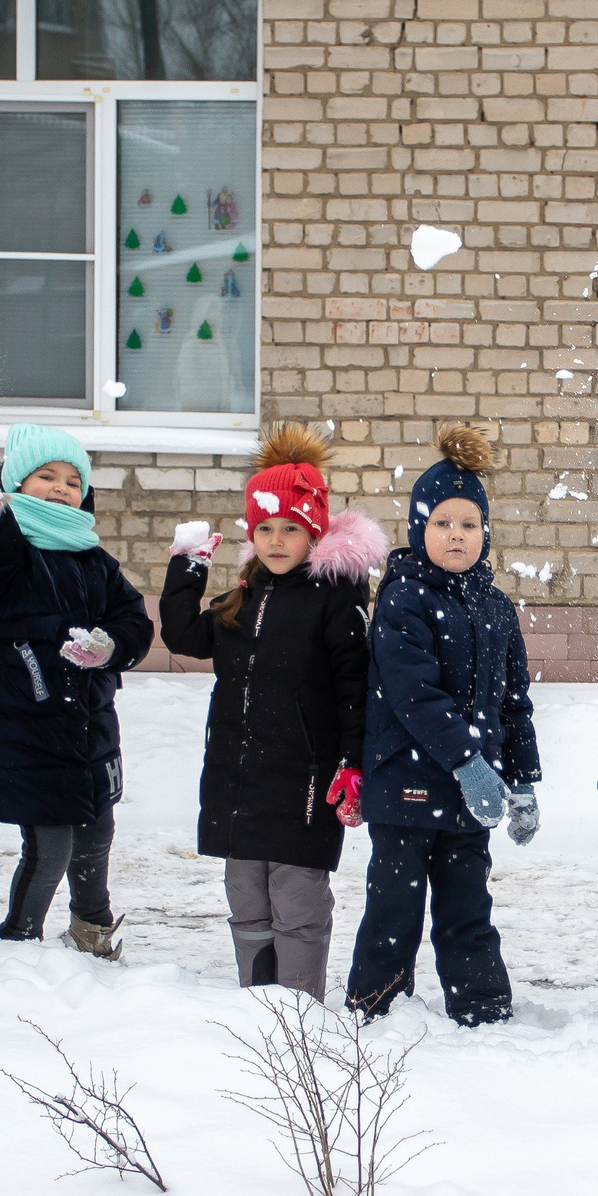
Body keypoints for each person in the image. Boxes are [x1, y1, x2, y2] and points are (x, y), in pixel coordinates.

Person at [159, 425, 385, 996]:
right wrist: (188, 566)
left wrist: (354, 763)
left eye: (291, 529)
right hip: (239, 780)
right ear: (251, 533)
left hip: (305, 783)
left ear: (314, 532)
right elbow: (185, 635)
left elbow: (354, 688)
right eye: (265, 529)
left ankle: (299, 1012)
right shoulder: (244, 597)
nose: (277, 541)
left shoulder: (334, 601)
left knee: (297, 901)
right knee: (246, 901)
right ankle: (257, 1004)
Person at [346, 426, 540, 1027]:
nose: (456, 535)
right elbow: (413, 694)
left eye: (469, 525)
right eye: (442, 523)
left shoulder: (497, 607)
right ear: (418, 530)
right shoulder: (404, 599)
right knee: (395, 905)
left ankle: (483, 1011)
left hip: (468, 797)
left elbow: (515, 701)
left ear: (485, 534)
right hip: (407, 784)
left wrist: (524, 780)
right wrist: (468, 761)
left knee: (467, 906)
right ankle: (374, 1009)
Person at [0, 424, 155, 958]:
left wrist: (111, 646)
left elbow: (134, 621)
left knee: (95, 839)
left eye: (72, 480)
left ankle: (92, 935)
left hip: (90, 726)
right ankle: (20, 942)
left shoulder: (94, 558)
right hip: (28, 726)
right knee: (51, 848)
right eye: (46, 476)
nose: (62, 488)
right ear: (16, 485)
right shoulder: (13, 549)